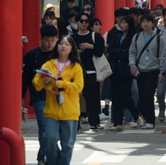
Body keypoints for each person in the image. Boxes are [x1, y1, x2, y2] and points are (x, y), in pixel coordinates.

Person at [32, 35, 84, 165]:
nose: (63, 46)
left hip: (70, 111)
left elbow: (78, 86)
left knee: (68, 144)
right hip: (51, 110)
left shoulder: (75, 66)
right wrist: (44, 80)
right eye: (61, 43)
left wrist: (61, 84)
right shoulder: (49, 64)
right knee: (50, 139)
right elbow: (36, 82)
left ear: (72, 48)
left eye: (67, 44)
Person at [22, 25, 58, 165]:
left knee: (54, 130)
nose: (50, 43)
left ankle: (45, 154)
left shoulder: (59, 54)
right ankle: (43, 157)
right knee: (44, 127)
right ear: (41, 39)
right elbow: (25, 78)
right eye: (47, 40)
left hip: (56, 96)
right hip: (38, 96)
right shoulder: (31, 56)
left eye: (53, 40)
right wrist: (22, 97)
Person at [129, 14, 165, 129]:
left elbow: (163, 56)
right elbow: (132, 53)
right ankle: (144, 117)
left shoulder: (159, 38)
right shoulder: (136, 37)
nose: (146, 24)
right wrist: (132, 65)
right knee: (142, 95)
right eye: (144, 22)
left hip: (154, 70)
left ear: (153, 24)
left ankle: (150, 120)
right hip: (140, 70)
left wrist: (162, 71)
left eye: (148, 22)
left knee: (148, 95)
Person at [106, 16, 142, 131]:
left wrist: (119, 52)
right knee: (115, 95)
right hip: (115, 68)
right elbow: (111, 50)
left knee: (125, 95)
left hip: (126, 69)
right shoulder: (116, 36)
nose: (122, 25)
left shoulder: (133, 37)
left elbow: (128, 53)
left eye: (125, 23)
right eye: (121, 22)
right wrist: (119, 52)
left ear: (130, 24)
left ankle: (136, 114)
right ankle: (117, 122)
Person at [72, 13, 105, 130]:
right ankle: (76, 122)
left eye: (86, 21)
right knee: (75, 98)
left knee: (93, 98)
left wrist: (90, 46)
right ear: (77, 23)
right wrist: (76, 52)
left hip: (92, 70)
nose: (84, 23)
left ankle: (94, 122)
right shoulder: (72, 37)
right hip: (76, 71)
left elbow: (100, 52)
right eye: (81, 21)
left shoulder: (94, 36)